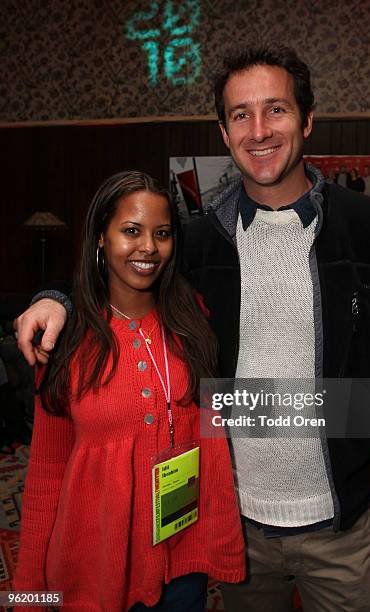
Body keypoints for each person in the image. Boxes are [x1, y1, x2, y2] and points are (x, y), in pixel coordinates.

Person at [14, 47, 370, 612]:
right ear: (223, 131)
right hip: (232, 519)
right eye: (241, 114)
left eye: (276, 110)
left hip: (338, 522)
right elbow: (124, 284)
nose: (259, 130)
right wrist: (55, 301)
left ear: (307, 119)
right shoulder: (198, 241)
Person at [13, 171, 245, 612]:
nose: (148, 248)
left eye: (161, 233)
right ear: (101, 236)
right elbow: (45, 470)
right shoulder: (63, 337)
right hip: (94, 568)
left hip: (181, 562)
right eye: (131, 231)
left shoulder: (193, 320)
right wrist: (27, 592)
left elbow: (210, 437)